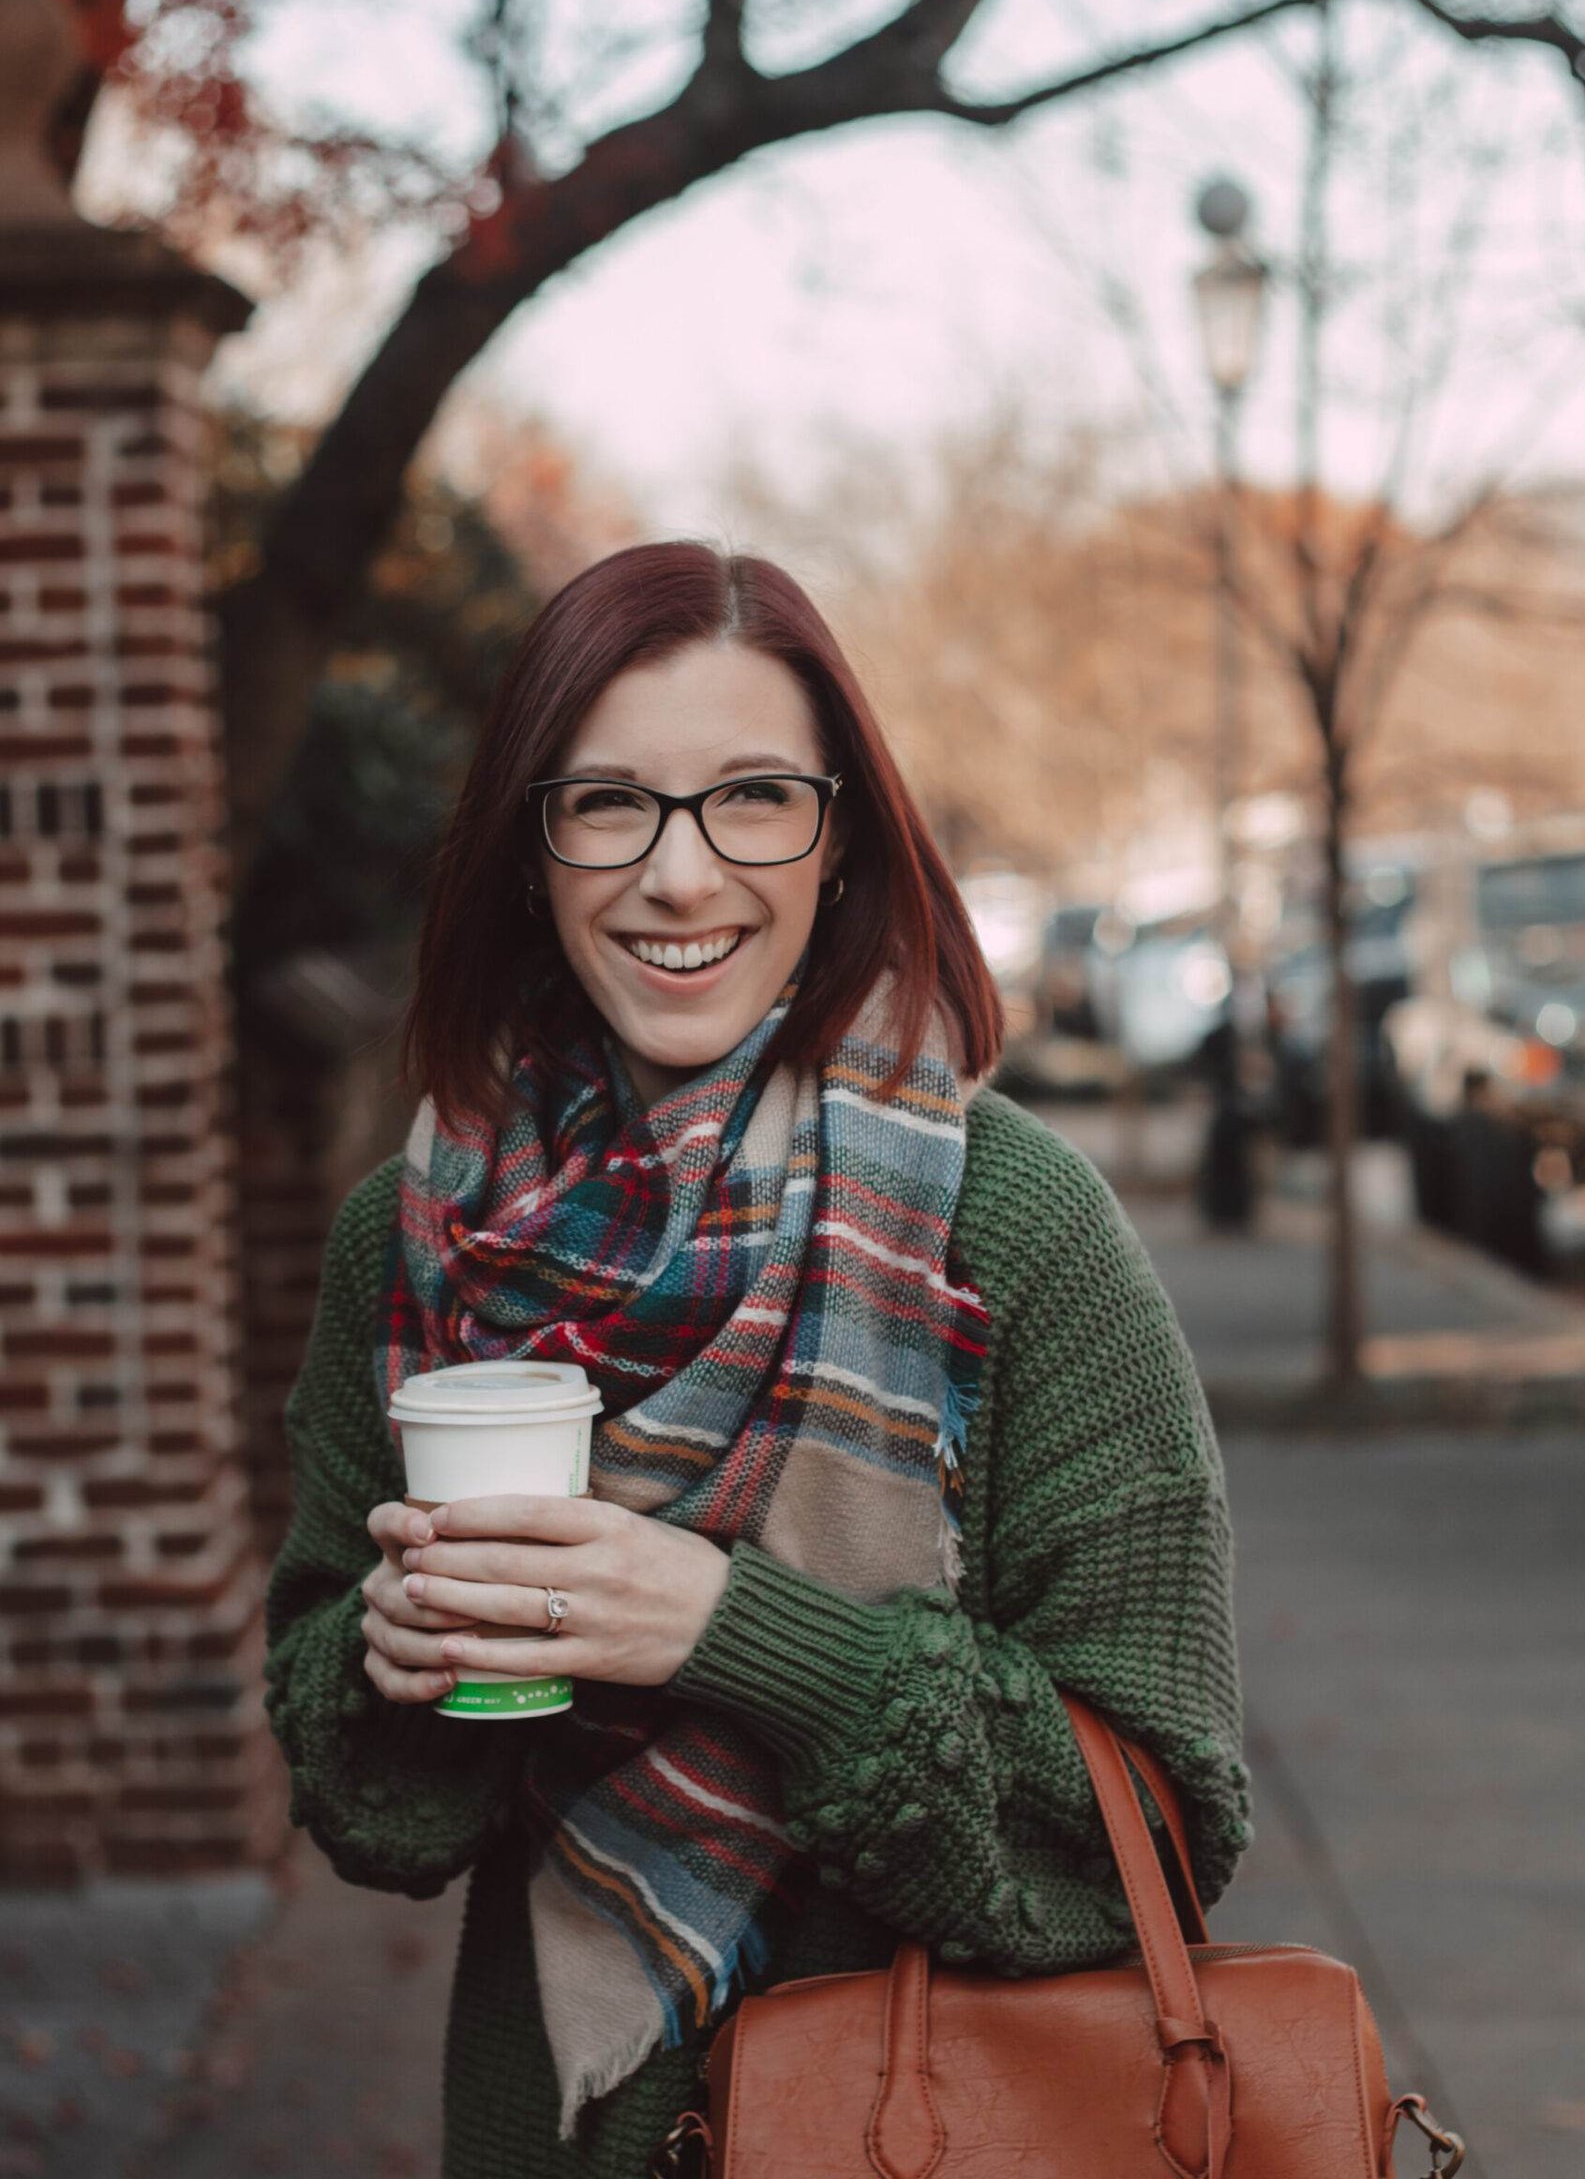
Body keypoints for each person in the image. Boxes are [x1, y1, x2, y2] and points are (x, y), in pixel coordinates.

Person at [265, 541, 1250, 2179]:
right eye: (609, 804)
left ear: (837, 831)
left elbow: (1157, 1821)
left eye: (752, 798)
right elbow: (362, 1796)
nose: (680, 873)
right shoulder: (412, 1233)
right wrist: (397, 1653)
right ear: (530, 851)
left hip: (950, 2128)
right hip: (551, 2133)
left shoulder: (1012, 1226)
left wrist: (725, 1629)